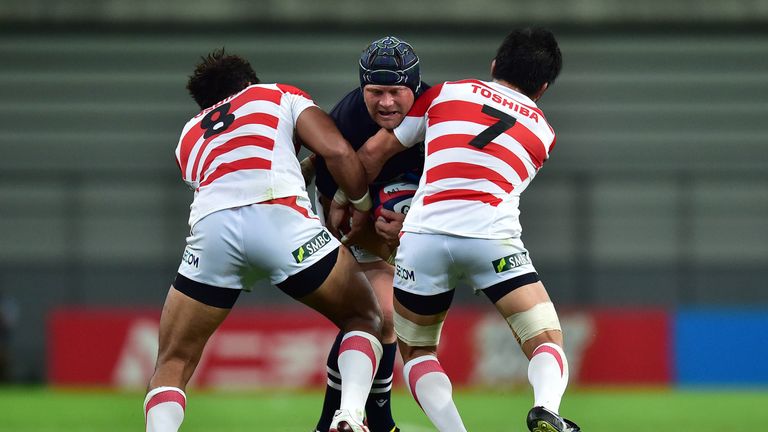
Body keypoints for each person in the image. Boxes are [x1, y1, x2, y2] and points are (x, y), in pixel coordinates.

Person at [143, 48, 383, 432]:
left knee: (172, 363)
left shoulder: (188, 135)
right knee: (364, 317)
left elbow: (236, 180)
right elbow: (336, 150)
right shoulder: (277, 94)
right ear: (249, 83)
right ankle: (350, 416)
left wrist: (296, 168)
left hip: (213, 230)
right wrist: (360, 203)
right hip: (279, 218)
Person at [357, 28, 581, 432]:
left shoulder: (447, 92)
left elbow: (378, 150)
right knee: (545, 338)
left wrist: (347, 202)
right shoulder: (544, 134)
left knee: (418, 351)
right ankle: (546, 407)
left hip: (422, 236)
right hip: (491, 238)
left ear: (495, 66)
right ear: (543, 87)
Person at [308, 36, 428, 432]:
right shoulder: (346, 119)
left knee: (379, 318)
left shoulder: (439, 112)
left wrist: (413, 222)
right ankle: (366, 420)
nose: (386, 103)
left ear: (416, 87)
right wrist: (358, 212)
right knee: (381, 313)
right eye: (375, 91)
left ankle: (352, 420)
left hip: (421, 216)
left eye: (396, 91)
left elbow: (456, 178)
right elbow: (332, 203)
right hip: (359, 216)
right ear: (362, 88)